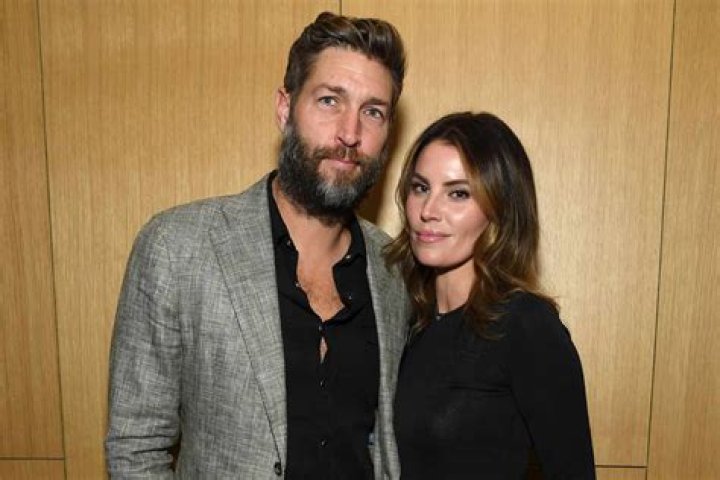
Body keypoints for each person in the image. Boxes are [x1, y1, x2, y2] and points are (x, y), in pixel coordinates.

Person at [106, 12, 408, 479]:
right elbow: (135, 447)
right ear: (285, 108)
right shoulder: (178, 248)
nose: (350, 133)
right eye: (329, 100)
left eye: (373, 112)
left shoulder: (395, 272)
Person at [385, 112, 595, 479]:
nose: (428, 211)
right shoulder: (404, 323)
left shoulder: (526, 325)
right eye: (420, 188)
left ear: (498, 208)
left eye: (458, 194)